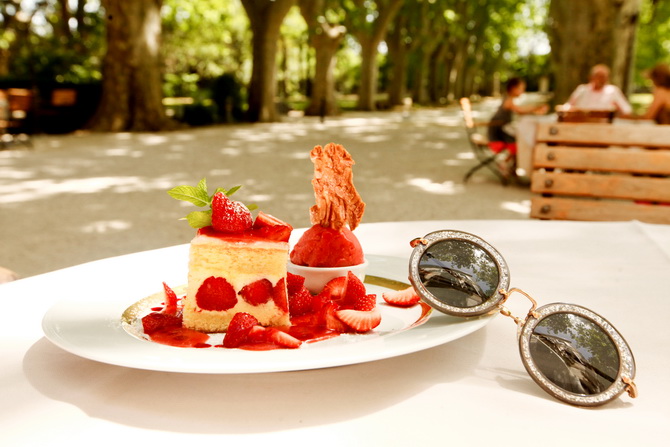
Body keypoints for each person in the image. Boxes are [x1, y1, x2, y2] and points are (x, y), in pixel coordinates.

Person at [487, 77, 548, 177]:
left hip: (501, 129)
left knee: (522, 138)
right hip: (498, 132)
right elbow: (520, 110)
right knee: (522, 140)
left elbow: (521, 111)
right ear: (513, 88)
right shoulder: (508, 100)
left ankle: (511, 165)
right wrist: (536, 108)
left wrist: (534, 109)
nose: (523, 91)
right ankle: (505, 162)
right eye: (521, 88)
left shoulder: (509, 99)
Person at [564, 64, 632, 115]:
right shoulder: (582, 90)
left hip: (604, 124)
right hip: (581, 121)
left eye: (604, 77)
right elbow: (569, 105)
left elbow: (627, 110)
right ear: (591, 77)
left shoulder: (612, 91)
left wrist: (617, 109)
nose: (601, 80)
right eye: (598, 77)